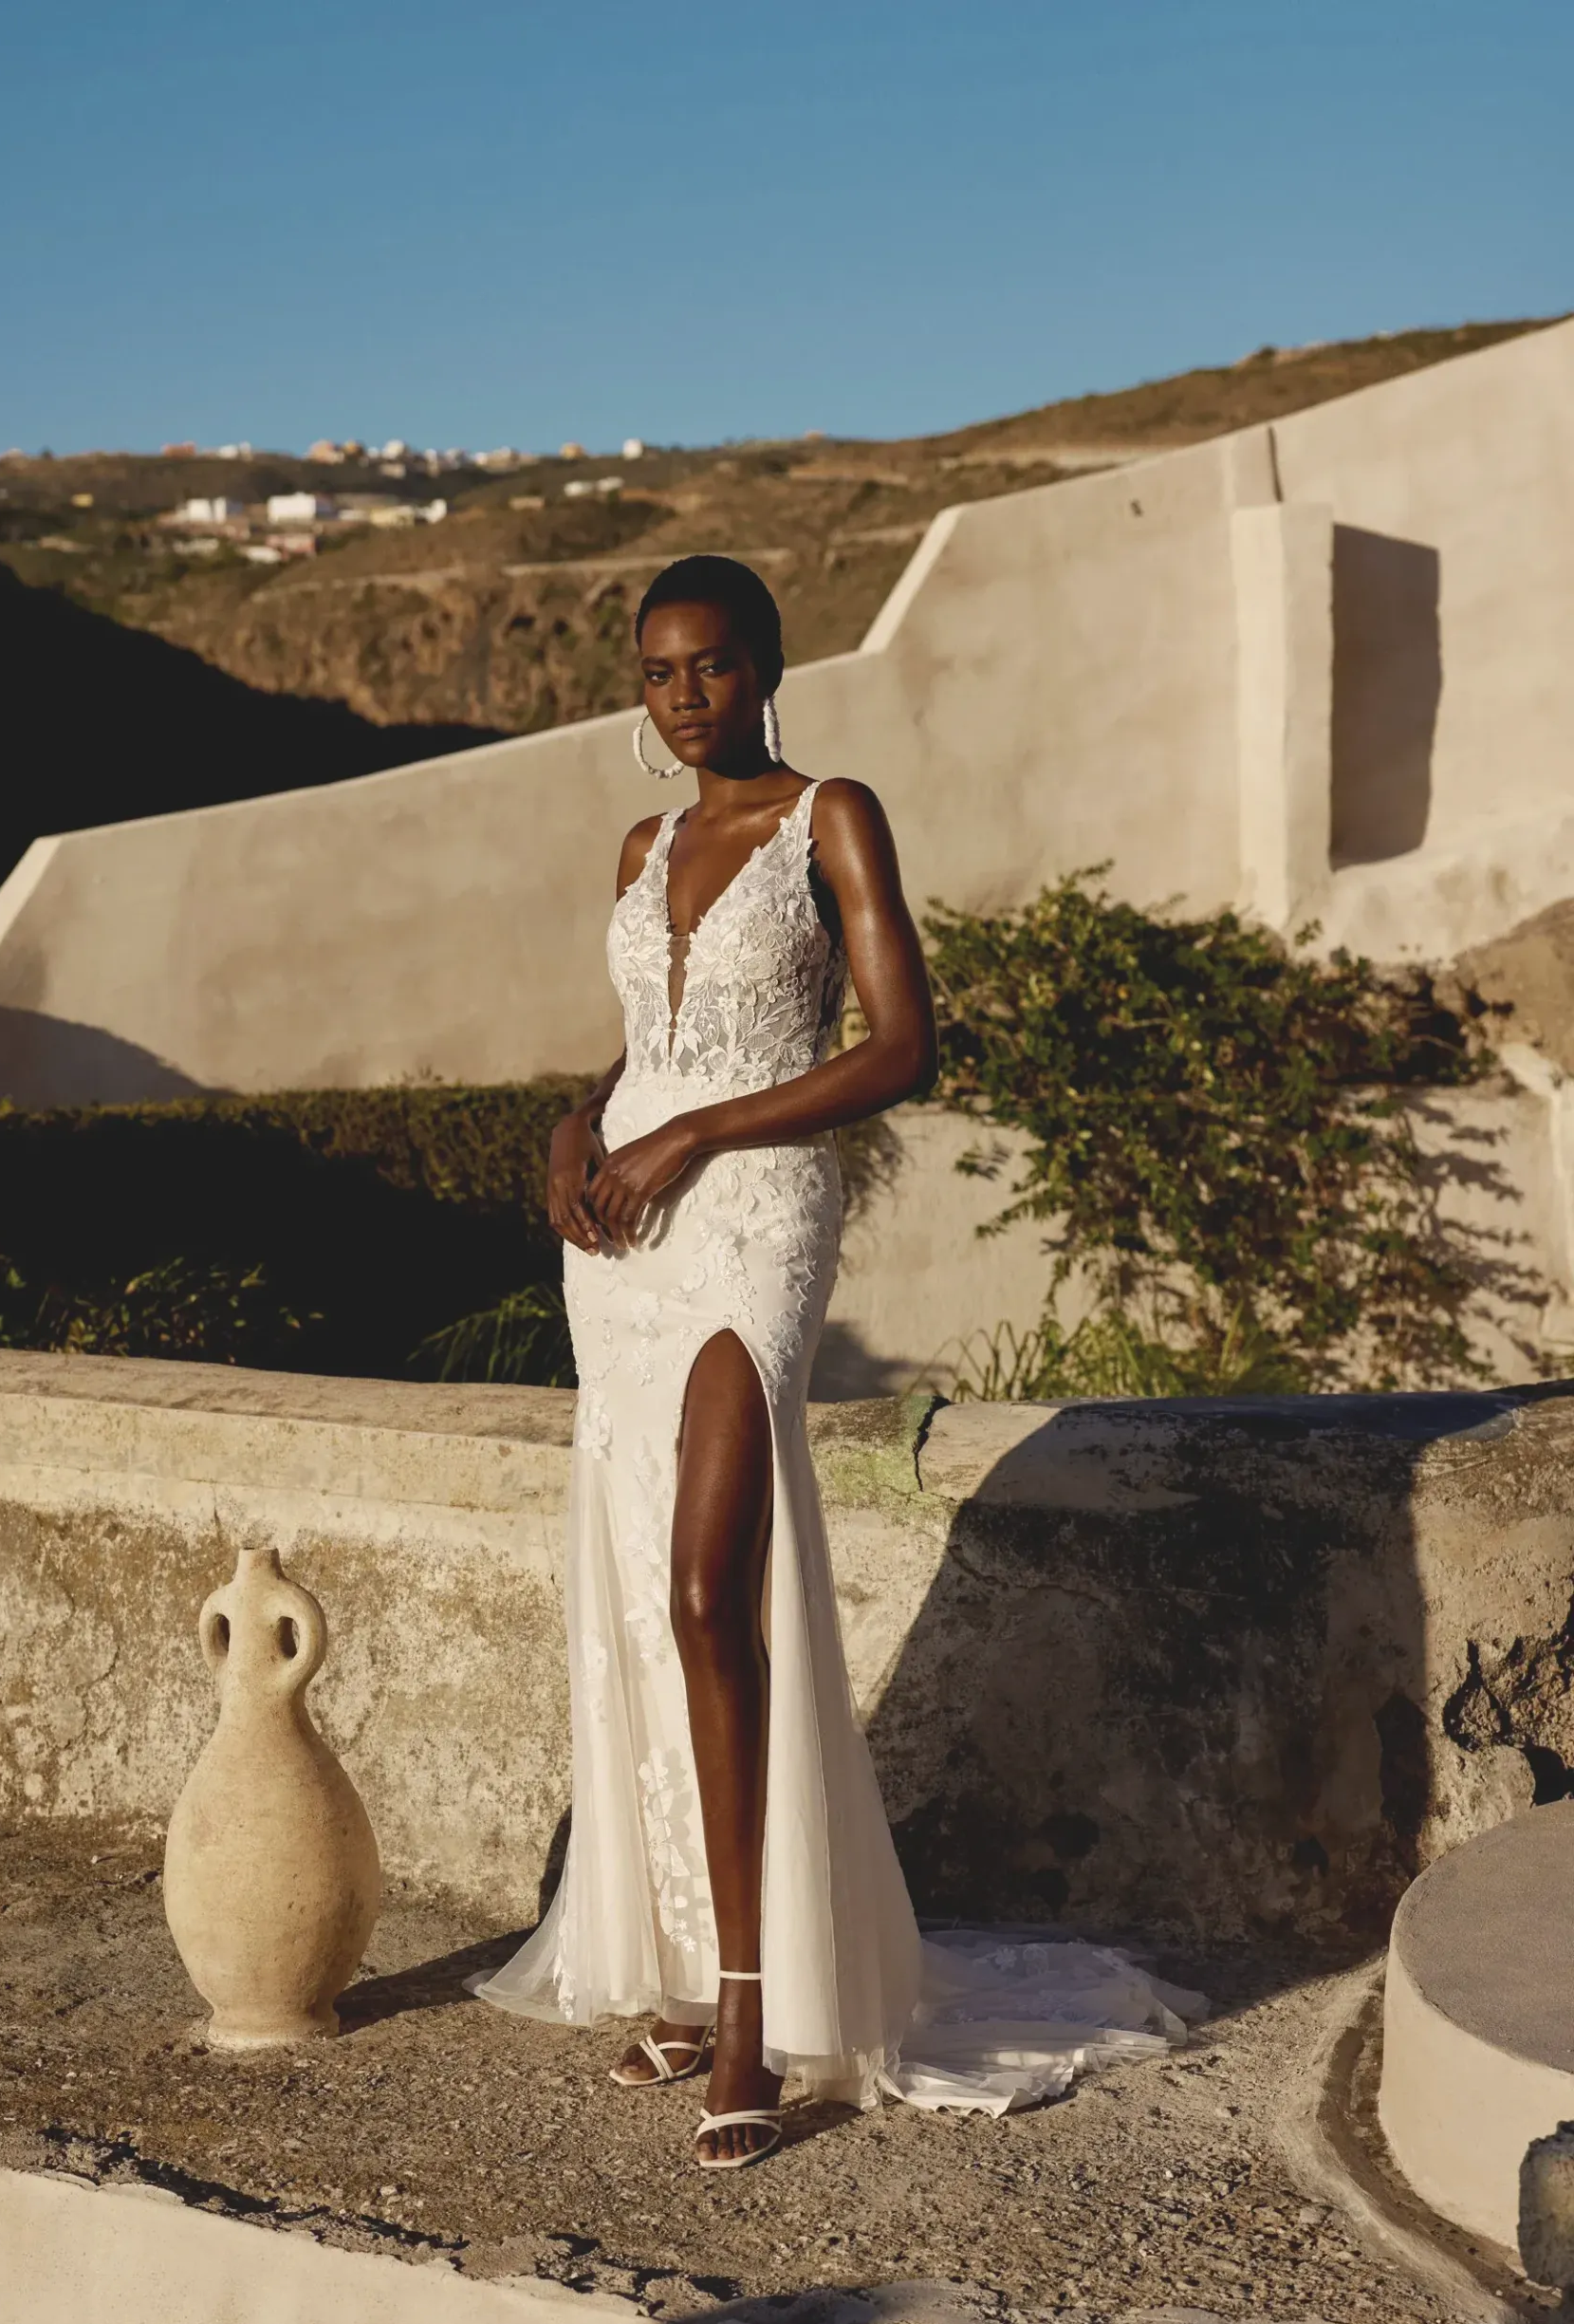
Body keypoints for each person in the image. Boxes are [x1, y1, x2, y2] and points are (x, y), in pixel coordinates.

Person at [472, 555, 1198, 2167]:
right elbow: (652, 1035)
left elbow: (897, 1045)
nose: (686, 697)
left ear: (769, 664)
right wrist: (579, 1121)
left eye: (714, 667)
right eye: (659, 674)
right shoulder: (643, 841)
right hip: (624, 1237)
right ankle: (678, 1963)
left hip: (753, 1222)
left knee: (704, 1589)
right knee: (651, 1600)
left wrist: (703, 1135)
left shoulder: (830, 817)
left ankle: (752, 2007)